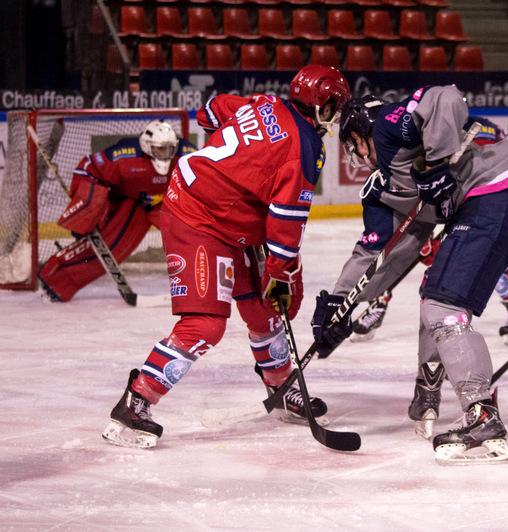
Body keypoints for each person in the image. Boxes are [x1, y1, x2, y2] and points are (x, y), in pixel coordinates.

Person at [101, 65, 351, 449]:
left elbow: (212, 110)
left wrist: (236, 166)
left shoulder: (266, 103)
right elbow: (286, 221)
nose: (335, 117)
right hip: (197, 218)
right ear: (323, 105)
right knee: (204, 325)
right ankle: (136, 401)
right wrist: (281, 272)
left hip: (228, 219)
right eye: (335, 107)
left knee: (265, 311)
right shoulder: (305, 147)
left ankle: (281, 386)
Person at [314, 88, 508, 463]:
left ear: (358, 136)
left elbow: (443, 98)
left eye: (354, 148)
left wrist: (435, 165)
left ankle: (481, 413)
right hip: (502, 201)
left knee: (442, 304)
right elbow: (381, 253)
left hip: (497, 190)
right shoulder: (386, 185)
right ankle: (429, 388)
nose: (358, 158)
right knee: (434, 292)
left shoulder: (387, 125)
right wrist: (340, 304)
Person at [351, 117, 508, 345]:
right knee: (413, 245)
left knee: (484, 252)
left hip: (480, 200)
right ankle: (380, 298)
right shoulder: (430, 135)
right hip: (446, 197)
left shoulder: (482, 131)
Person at [38, 120, 196, 302]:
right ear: (147, 146)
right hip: (131, 202)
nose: (166, 154)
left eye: (170, 149)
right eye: (160, 149)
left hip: (167, 203)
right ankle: (55, 278)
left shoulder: (187, 155)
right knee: (113, 249)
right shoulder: (124, 155)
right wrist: (86, 212)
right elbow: (88, 170)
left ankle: (207, 280)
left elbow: (205, 182)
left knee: (194, 235)